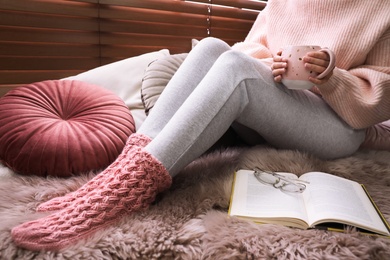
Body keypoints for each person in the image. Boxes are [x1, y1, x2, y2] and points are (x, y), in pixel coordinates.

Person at [11, 0, 390, 251]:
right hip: (280, 110)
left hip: (339, 125)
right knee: (211, 48)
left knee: (234, 68)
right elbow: (246, 52)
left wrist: (332, 77)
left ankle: (124, 190)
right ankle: (125, 168)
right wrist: (271, 65)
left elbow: (381, 92)